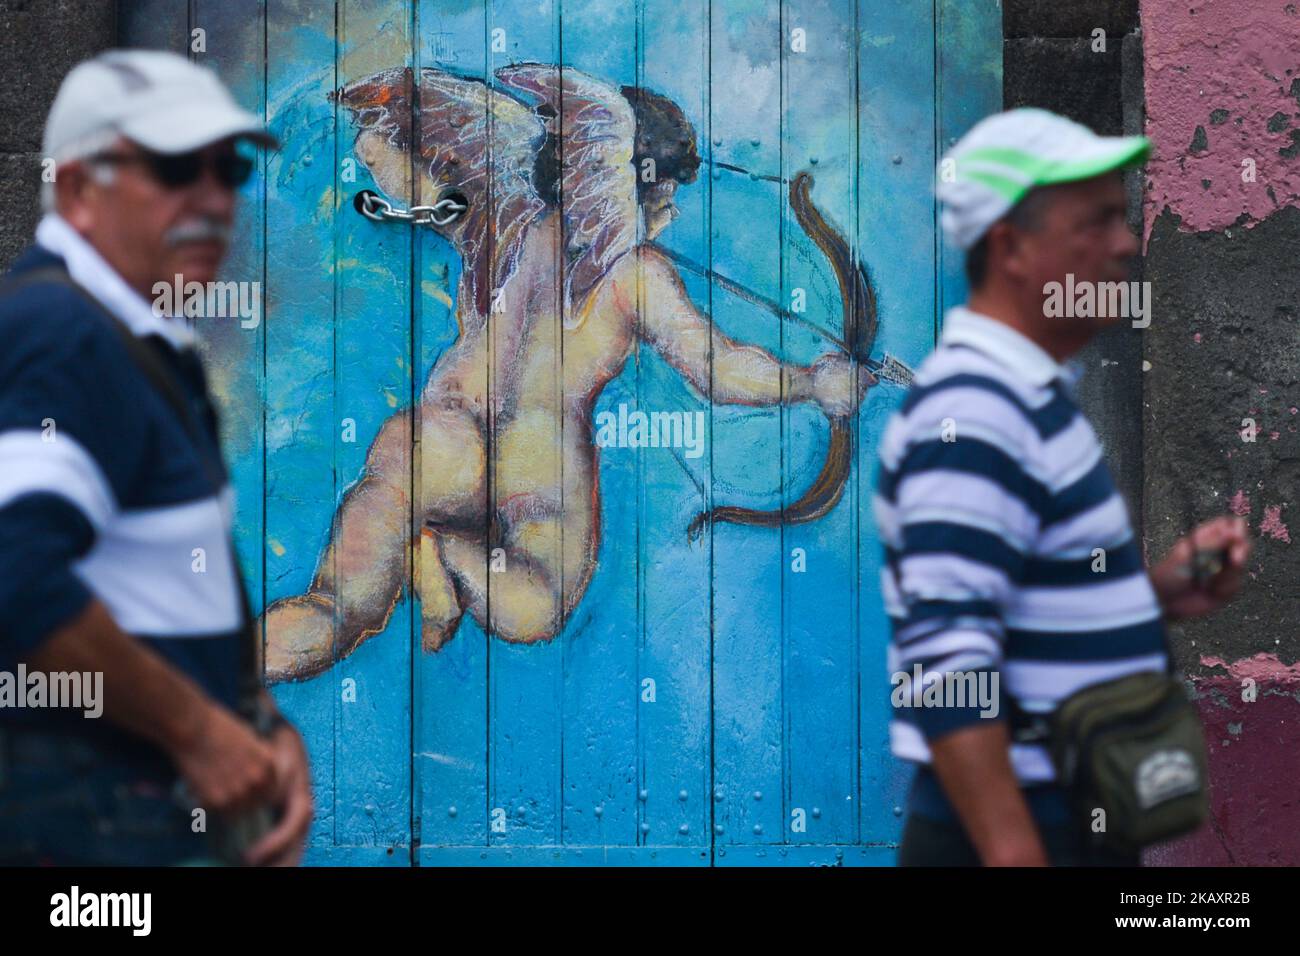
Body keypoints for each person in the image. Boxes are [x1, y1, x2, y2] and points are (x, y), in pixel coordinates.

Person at [873, 108, 1250, 866]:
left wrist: (1158, 596)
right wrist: (1015, 851)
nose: (1122, 243)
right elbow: (945, 668)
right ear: (1011, 247)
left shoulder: (1030, 398)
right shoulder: (975, 417)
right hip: (1010, 829)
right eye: (1098, 222)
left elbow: (1019, 616)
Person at [0, 49, 312, 865]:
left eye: (230, 169)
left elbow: (169, 583)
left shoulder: (135, 343)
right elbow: (16, 575)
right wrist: (202, 733)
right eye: (176, 168)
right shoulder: (62, 337)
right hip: (87, 835)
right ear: (76, 189)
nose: (213, 201)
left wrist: (258, 727)